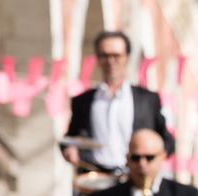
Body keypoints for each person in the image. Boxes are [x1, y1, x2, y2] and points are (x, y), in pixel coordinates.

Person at [61, 30, 175, 172]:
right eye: (105, 56)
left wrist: (151, 161)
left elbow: (167, 142)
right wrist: (70, 149)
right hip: (95, 178)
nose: (110, 61)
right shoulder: (83, 101)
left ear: (126, 57)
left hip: (135, 176)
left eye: (116, 56)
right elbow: (70, 139)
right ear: (98, 58)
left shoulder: (147, 99)